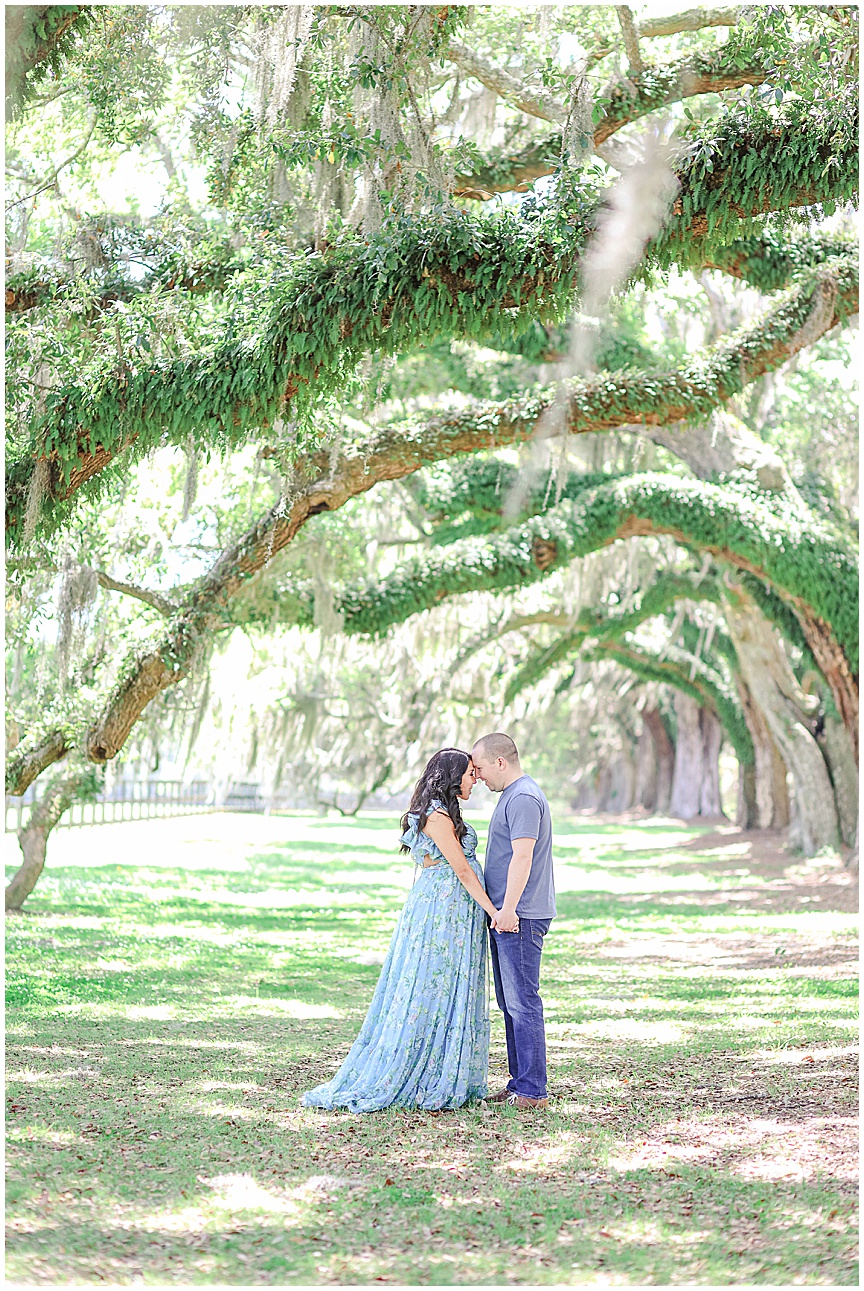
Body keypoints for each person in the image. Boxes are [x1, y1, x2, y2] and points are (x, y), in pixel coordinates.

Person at [301, 748, 500, 1113]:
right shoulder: (436, 816)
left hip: (458, 913)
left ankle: (448, 1068)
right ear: (453, 776)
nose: (476, 779)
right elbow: (462, 870)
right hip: (443, 913)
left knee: (451, 985)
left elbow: (435, 859)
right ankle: (420, 1070)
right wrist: (495, 911)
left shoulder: (447, 813)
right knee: (433, 984)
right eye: (471, 773)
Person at [471, 732, 556, 1110]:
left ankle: (533, 1090)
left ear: (500, 762)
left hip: (518, 915)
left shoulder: (522, 796)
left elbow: (523, 856)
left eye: (481, 767)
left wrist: (508, 910)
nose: (478, 776)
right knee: (511, 1002)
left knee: (523, 1002)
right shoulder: (513, 795)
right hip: (510, 913)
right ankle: (521, 1082)